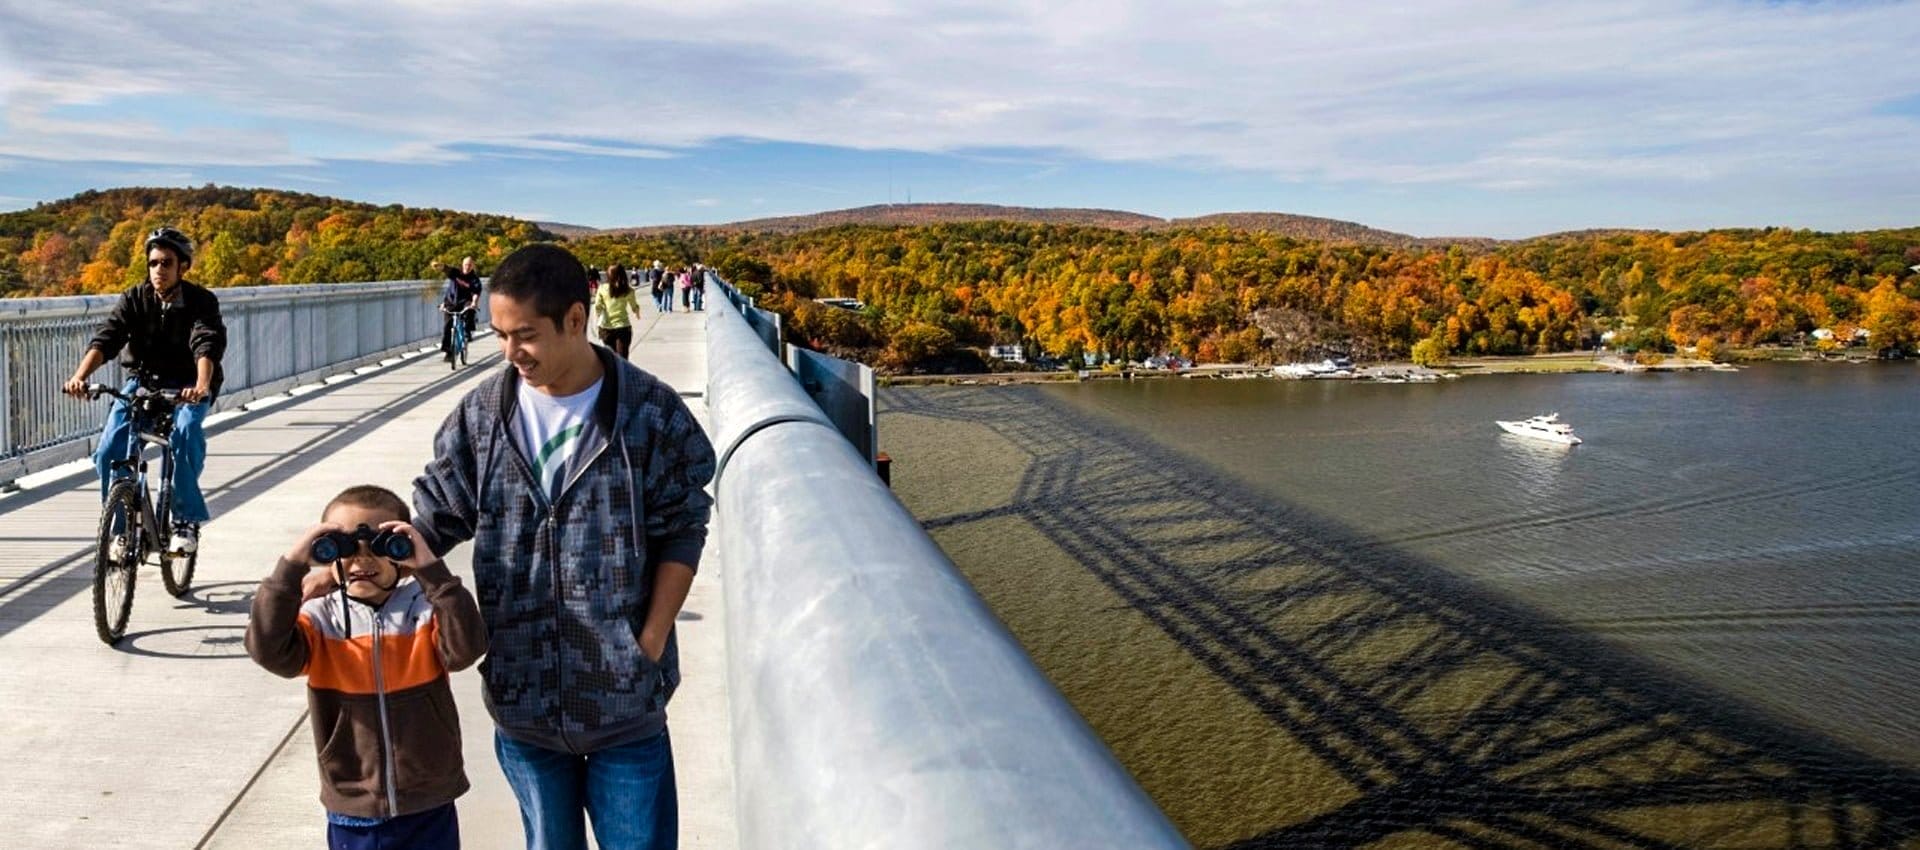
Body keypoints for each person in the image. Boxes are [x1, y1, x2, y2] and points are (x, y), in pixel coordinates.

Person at [316, 244, 712, 849]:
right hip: (524, 705)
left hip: (624, 703)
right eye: (499, 334)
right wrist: (353, 560)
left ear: (576, 320)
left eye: (524, 334)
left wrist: (649, 642)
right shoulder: (482, 416)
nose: (509, 353)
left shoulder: (649, 412)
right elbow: (434, 518)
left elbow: (683, 526)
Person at [247, 484, 486, 850]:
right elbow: (268, 650)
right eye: (343, 548)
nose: (361, 561)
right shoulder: (320, 618)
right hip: (353, 803)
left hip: (429, 799)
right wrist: (292, 566)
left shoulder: (423, 610)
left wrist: (431, 571)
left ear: (400, 550)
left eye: (378, 545)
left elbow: (466, 649)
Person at [62, 226, 225, 555]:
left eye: (166, 263)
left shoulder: (201, 301)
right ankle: (121, 531)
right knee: (110, 450)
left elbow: (205, 343)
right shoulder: (135, 298)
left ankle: (185, 520)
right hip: (144, 382)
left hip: (188, 383)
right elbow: (108, 337)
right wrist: (79, 376)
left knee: (186, 432)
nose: (158, 270)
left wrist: (202, 385)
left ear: (183, 266)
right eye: (153, 263)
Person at [433, 257, 483, 362]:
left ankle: (467, 332)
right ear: (462, 264)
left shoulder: (474, 279)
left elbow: (476, 293)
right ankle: (448, 352)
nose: (467, 267)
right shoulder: (456, 273)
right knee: (447, 326)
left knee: (470, 310)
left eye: (470, 265)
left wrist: (474, 303)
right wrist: (439, 265)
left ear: (472, 266)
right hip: (451, 301)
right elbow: (447, 269)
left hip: (465, 302)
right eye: (466, 264)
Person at [594, 264, 640, 358]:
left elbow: (597, 306)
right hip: (623, 326)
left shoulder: (602, 288)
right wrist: (637, 313)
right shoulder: (628, 290)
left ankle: (612, 373)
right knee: (622, 360)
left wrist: (598, 316)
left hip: (606, 328)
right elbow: (634, 306)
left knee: (610, 359)